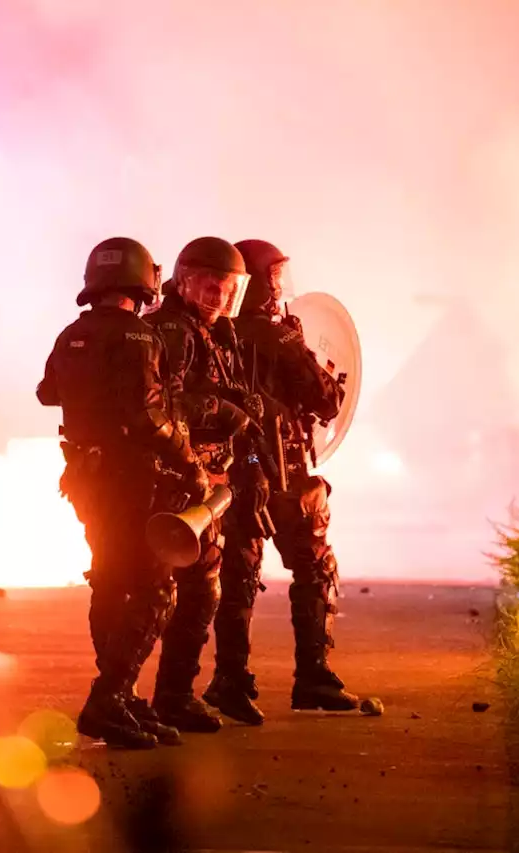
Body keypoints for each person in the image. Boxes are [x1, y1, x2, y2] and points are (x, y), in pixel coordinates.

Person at [37, 237, 209, 750]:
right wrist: (192, 462)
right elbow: (149, 418)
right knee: (156, 588)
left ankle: (124, 696)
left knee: (109, 583)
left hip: (86, 478)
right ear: (143, 281)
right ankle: (108, 697)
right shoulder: (140, 335)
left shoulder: (71, 334)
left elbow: (48, 393)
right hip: (132, 477)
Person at [201, 238, 363, 725]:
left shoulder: (213, 333)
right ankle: (313, 676)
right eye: (274, 278)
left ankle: (229, 679)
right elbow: (326, 400)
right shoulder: (279, 338)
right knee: (315, 568)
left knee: (236, 579)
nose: (279, 289)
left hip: (233, 475)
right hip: (283, 472)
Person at [143, 236, 268, 733]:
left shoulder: (220, 335)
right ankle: (155, 697)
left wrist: (252, 463)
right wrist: (224, 411)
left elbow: (241, 421)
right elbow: (162, 405)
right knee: (161, 591)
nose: (219, 294)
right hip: (170, 477)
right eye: (209, 284)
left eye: (228, 287)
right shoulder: (171, 330)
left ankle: (171, 696)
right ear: (185, 280)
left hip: (207, 477)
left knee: (201, 589)